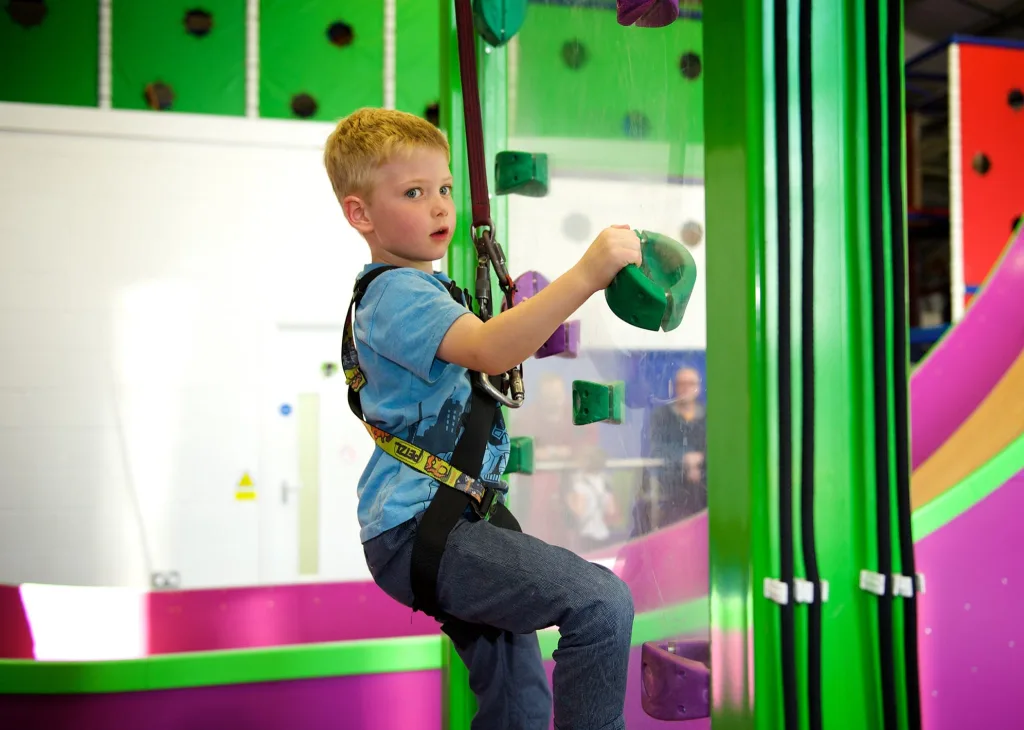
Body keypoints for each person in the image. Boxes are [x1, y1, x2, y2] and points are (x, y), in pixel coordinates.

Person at [323, 107, 638, 730]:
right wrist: (586, 274)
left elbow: (489, 349)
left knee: (517, 703)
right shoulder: (395, 292)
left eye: (444, 188)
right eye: (414, 193)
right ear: (361, 214)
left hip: (444, 522)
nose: (441, 206)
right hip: (424, 529)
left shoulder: (430, 292)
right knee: (601, 602)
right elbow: (492, 349)